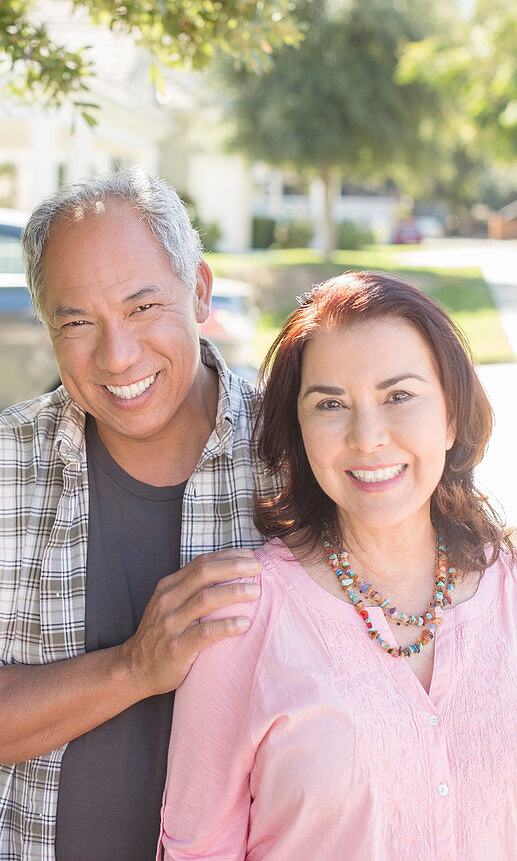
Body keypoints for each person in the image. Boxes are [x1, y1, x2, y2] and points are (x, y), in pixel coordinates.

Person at [0, 167, 272, 861]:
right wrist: (131, 668)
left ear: (200, 291)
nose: (116, 357)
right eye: (77, 322)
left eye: (142, 307)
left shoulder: (296, 457)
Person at [160, 270, 516, 861]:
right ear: (299, 433)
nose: (367, 436)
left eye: (398, 395)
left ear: (451, 417)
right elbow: (198, 849)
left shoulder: (507, 592)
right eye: (330, 404)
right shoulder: (241, 615)